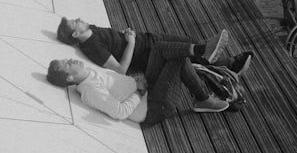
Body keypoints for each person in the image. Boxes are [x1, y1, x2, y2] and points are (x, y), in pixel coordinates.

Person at [46, 40, 231, 124]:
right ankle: (204, 97)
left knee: (159, 48)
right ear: (70, 78)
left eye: (66, 59)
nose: (71, 60)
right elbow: (119, 112)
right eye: (67, 64)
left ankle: (202, 49)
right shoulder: (90, 91)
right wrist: (139, 92)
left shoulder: (89, 75)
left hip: (145, 88)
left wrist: (132, 81)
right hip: (153, 107)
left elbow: (116, 81)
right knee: (178, 60)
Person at [56, 17, 253, 77]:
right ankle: (231, 64)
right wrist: (131, 42)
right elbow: (121, 69)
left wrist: (126, 36)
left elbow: (114, 40)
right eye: (75, 23)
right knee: (189, 51)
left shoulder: (91, 29)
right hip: (147, 52)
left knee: (188, 42)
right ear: (75, 34)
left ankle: (226, 64)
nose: (78, 19)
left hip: (147, 39)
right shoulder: (92, 47)